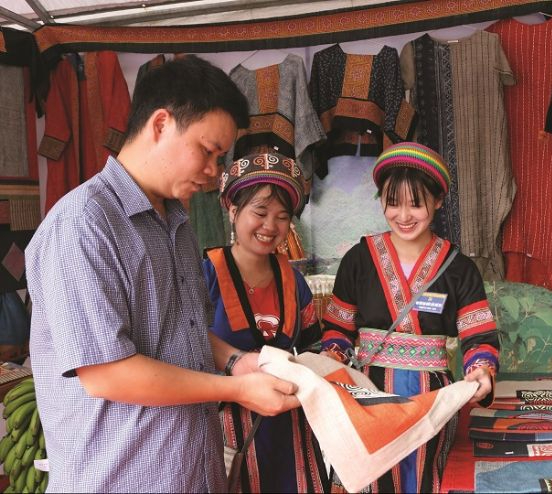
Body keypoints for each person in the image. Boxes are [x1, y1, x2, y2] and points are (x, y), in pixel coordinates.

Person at [26, 55, 300, 493]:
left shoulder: (178, 223)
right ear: (160, 125)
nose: (213, 171)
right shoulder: (83, 223)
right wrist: (235, 390)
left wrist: (236, 362)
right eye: (207, 151)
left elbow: (182, 329)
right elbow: (106, 374)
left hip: (192, 476)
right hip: (119, 480)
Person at [320, 142, 500, 493]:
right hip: (370, 396)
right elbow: (338, 329)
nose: (403, 215)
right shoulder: (359, 259)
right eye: (393, 202)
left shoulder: (458, 268)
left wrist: (481, 370)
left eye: (415, 203)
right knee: (374, 480)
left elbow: (477, 336)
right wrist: (331, 358)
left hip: (431, 400)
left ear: (437, 201)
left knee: (425, 479)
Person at [204, 151, 329, 492]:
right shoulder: (206, 274)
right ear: (232, 210)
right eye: (259, 212)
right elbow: (185, 340)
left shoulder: (293, 280)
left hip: (290, 433)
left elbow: (313, 346)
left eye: (282, 217)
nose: (270, 226)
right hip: (229, 430)